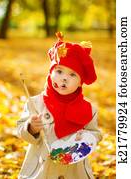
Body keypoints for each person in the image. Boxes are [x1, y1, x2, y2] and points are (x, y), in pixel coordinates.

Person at [17, 32, 102, 179]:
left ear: (80, 82)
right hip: (42, 169)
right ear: (50, 73)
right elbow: (20, 129)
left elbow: (96, 133)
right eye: (59, 71)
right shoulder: (36, 103)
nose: (63, 78)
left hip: (74, 171)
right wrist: (31, 127)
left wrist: (87, 137)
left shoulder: (89, 109)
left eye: (72, 75)